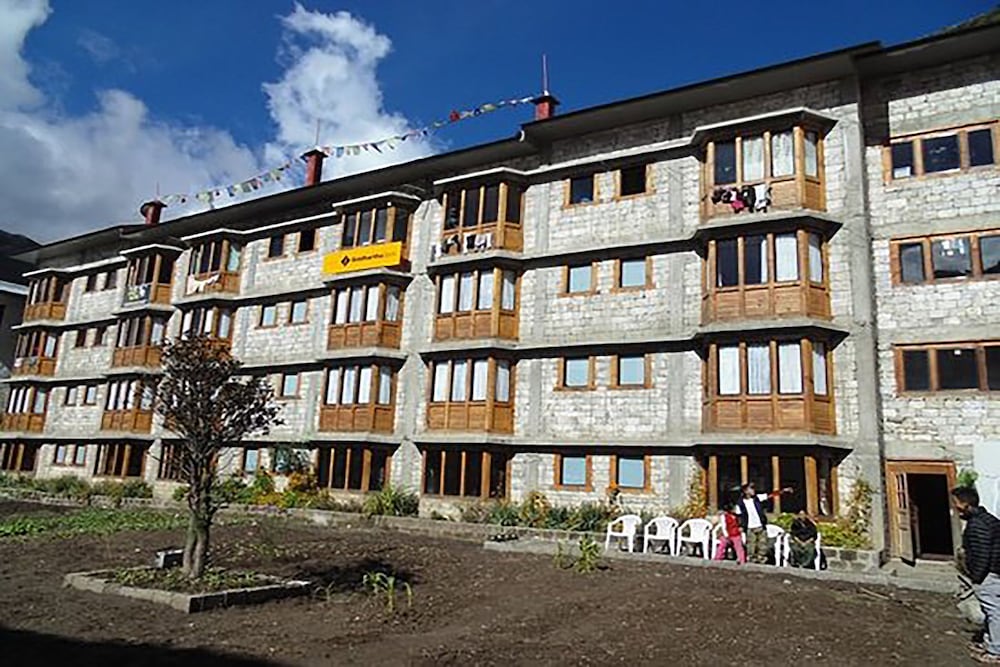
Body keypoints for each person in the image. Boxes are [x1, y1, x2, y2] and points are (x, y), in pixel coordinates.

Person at [952, 486, 1000, 664]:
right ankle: (989, 643)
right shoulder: (987, 519)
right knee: (991, 610)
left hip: (988, 574)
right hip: (993, 572)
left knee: (994, 612)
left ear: (965, 503)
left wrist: (977, 577)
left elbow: (982, 554)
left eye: (956, 503)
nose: (955, 507)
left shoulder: (978, 525)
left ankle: (996, 651)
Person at [735, 482, 792, 564]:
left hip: (760, 525)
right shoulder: (740, 503)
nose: (753, 491)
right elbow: (739, 515)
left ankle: (761, 558)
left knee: (762, 543)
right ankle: (751, 559)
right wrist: (740, 525)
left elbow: (770, 495)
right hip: (749, 526)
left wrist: (783, 491)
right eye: (751, 489)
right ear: (745, 491)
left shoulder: (757, 498)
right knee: (751, 544)